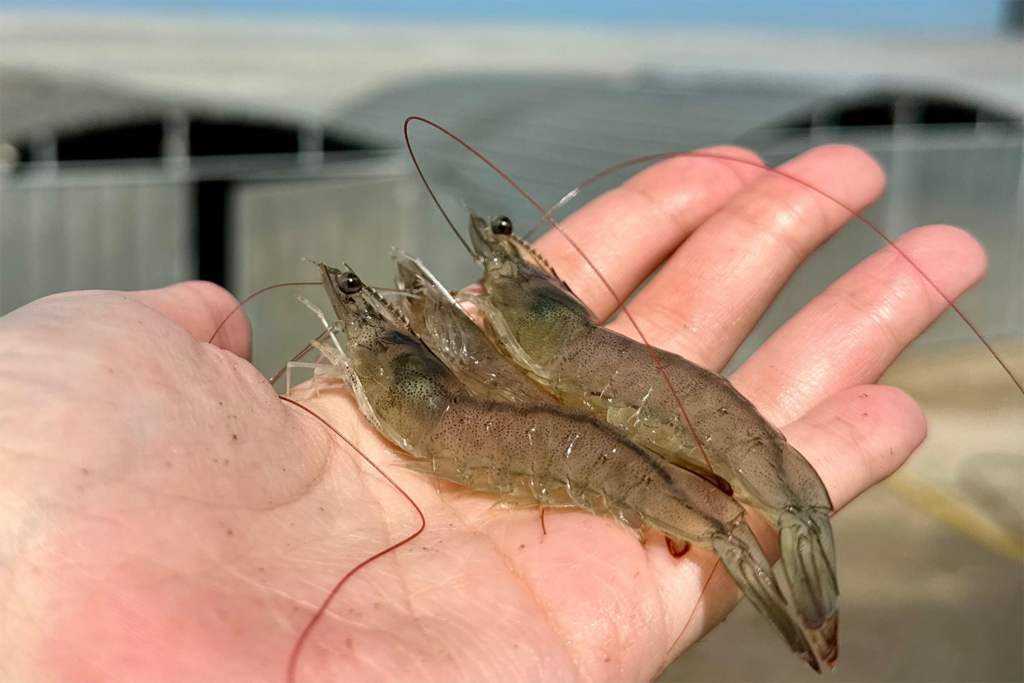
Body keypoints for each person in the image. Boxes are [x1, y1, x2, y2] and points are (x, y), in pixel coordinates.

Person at [0, 144, 984, 682]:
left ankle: (771, 528)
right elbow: (499, 375)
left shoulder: (513, 348)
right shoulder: (511, 343)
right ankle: (764, 541)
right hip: (522, 425)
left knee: (671, 462)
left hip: (543, 421)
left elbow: (505, 370)